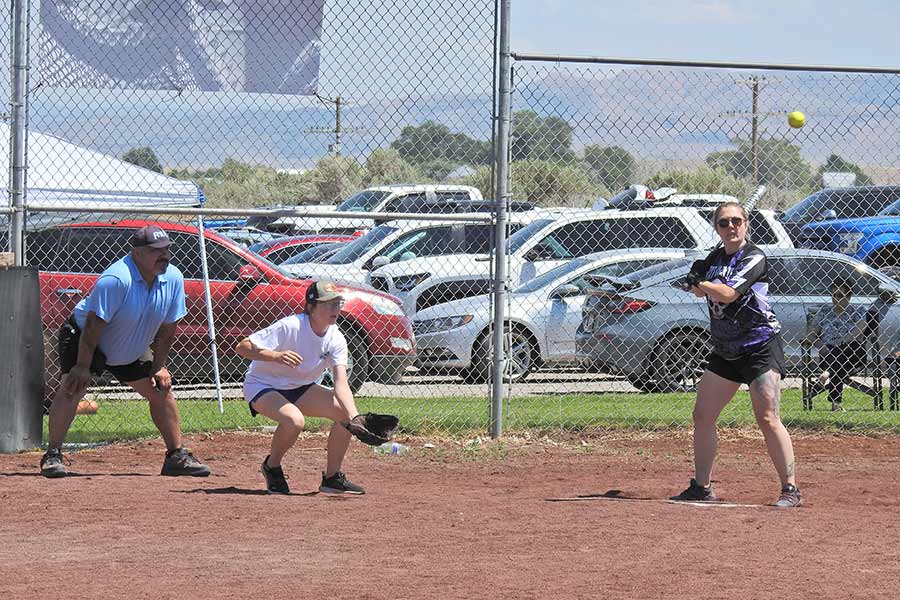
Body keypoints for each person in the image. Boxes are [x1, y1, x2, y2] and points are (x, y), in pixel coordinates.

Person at [40, 225, 210, 478]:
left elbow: (168, 328)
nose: (164, 256)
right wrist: (83, 366)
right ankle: (52, 456)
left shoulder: (173, 278)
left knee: (161, 389)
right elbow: (93, 326)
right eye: (156, 251)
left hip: (132, 345)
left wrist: (158, 366)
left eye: (166, 250)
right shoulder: (117, 279)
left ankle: (176, 456)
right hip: (87, 339)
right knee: (72, 386)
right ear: (137, 253)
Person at [670, 202, 801, 507]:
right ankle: (701, 487)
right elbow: (700, 288)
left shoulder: (754, 257)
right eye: (724, 223)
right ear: (716, 227)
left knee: (768, 417)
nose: (732, 227)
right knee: (702, 415)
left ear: (747, 224)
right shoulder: (712, 259)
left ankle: (791, 489)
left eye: (737, 221)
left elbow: (728, 294)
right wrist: (697, 280)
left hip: (760, 347)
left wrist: (699, 282)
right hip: (726, 349)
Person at [234, 280, 366, 495]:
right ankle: (272, 466)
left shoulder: (336, 338)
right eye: (328, 304)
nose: (335, 309)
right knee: (294, 421)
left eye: (338, 304)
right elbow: (243, 346)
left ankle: (332, 478)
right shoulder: (291, 326)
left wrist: (356, 419)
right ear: (311, 307)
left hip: (301, 387)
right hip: (263, 385)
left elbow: (341, 383)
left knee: (344, 415)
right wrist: (275, 355)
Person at [805, 278, 894, 411]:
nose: (835, 299)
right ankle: (835, 403)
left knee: (840, 352)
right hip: (828, 351)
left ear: (849, 296)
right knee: (836, 360)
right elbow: (811, 335)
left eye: (840, 295)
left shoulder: (858, 311)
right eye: (833, 295)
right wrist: (820, 345)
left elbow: (861, 328)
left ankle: (826, 373)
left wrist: (843, 340)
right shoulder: (825, 311)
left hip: (853, 352)